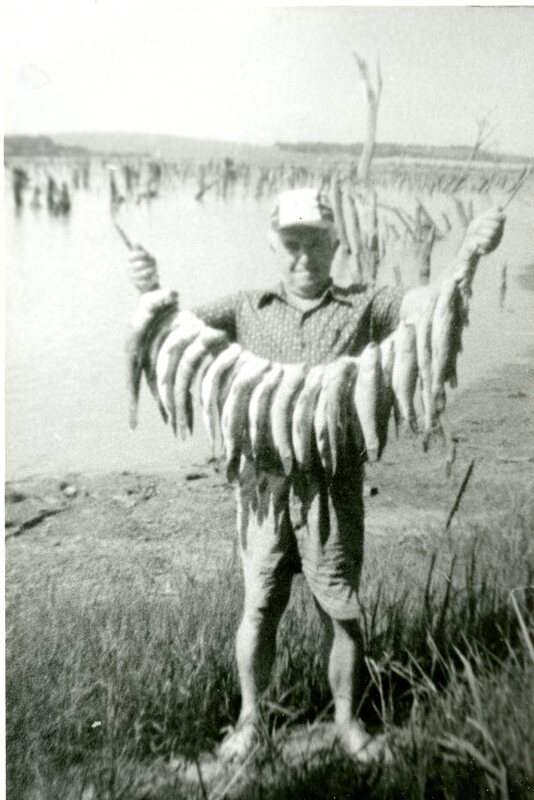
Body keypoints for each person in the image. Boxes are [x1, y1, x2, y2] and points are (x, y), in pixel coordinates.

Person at [127, 188, 505, 762]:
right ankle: (250, 720)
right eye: (292, 243)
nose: (304, 255)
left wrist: (467, 257)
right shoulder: (244, 307)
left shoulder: (367, 303)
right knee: (259, 608)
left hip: (334, 486)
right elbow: (172, 332)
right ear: (274, 245)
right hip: (264, 489)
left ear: (335, 244)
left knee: (341, 611)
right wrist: (149, 287)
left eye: (315, 242)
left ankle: (347, 723)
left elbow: (426, 307)